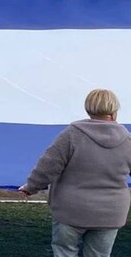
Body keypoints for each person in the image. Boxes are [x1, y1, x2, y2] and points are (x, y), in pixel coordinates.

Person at [19, 89, 131, 257]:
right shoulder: (127, 140)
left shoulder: (73, 134)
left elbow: (48, 166)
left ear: (88, 109)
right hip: (110, 213)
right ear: (114, 112)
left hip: (70, 210)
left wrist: (31, 187)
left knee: (64, 252)